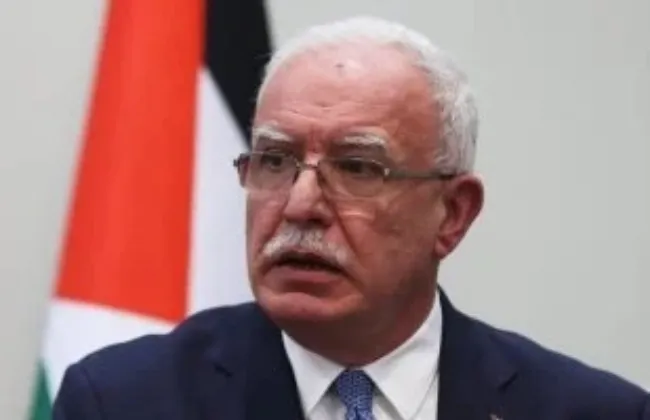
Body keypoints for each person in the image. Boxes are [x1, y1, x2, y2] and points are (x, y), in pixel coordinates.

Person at [53, 16, 649, 420]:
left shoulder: (591, 411)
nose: (300, 205)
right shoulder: (124, 402)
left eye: (358, 168)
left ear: (453, 213)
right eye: (274, 160)